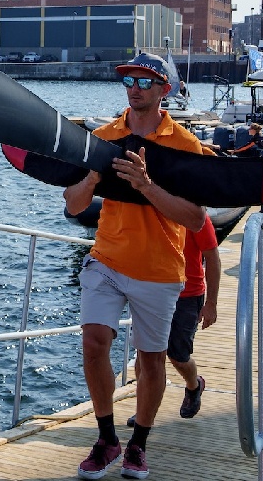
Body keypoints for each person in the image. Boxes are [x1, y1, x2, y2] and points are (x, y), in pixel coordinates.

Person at [64, 53, 207, 480]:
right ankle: (107, 439)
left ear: (165, 90)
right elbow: (73, 207)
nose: (135, 87)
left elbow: (196, 219)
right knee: (93, 342)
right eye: (129, 79)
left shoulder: (185, 145)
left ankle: (138, 446)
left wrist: (146, 185)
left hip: (159, 269)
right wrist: (92, 178)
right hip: (107, 258)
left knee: (151, 361)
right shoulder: (104, 137)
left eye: (146, 81)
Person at [127, 211, 221, 426]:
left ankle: (194, 385)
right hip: (152, 292)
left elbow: (212, 257)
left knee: (178, 356)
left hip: (187, 295)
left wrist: (211, 304)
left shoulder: (195, 216)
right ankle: (143, 411)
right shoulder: (149, 212)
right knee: (145, 353)